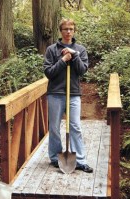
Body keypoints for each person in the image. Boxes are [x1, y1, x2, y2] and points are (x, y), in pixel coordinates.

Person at [43, 18, 93, 173]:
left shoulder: (81, 50)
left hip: (73, 94)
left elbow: (82, 71)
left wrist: (74, 56)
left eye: (71, 29)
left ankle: (80, 161)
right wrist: (64, 60)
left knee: (75, 127)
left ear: (74, 30)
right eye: (65, 29)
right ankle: (54, 157)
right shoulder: (52, 50)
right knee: (54, 128)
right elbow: (49, 72)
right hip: (55, 94)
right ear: (61, 31)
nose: (68, 32)